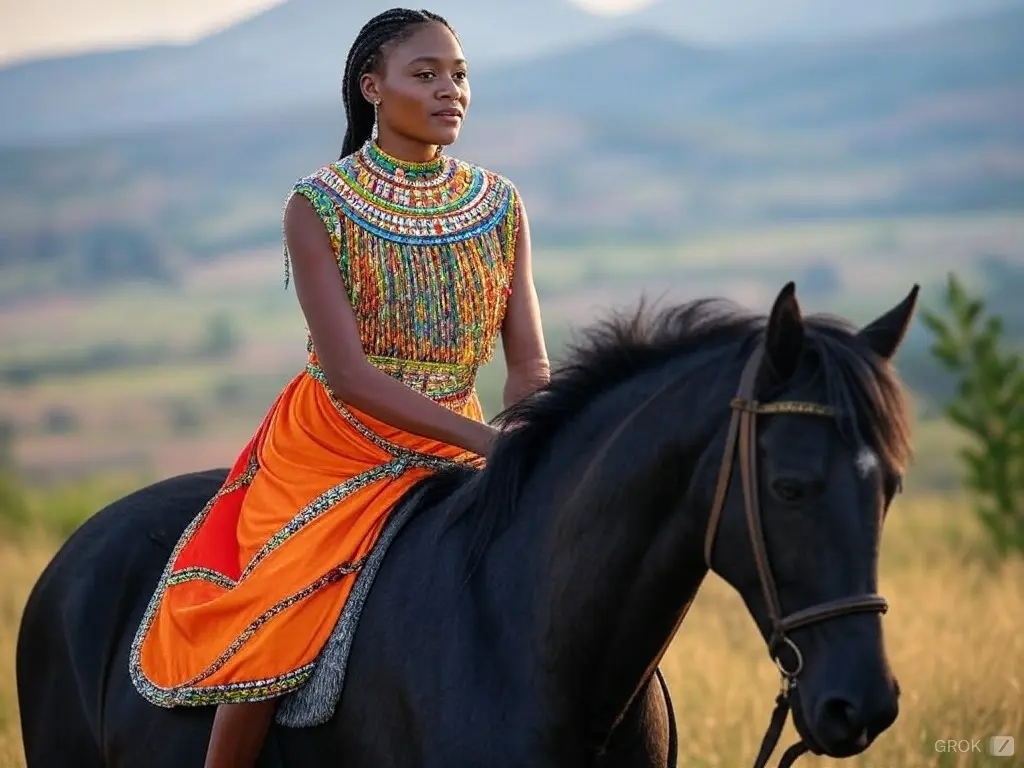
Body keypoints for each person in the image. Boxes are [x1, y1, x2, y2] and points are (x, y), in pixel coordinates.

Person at [127, 8, 550, 767]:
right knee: (277, 615)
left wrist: (526, 439)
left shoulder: (499, 204)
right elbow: (350, 375)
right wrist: (487, 443)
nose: (449, 90)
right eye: (425, 75)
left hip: (463, 432)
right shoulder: (318, 204)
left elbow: (528, 365)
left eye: (459, 75)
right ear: (372, 88)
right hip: (337, 442)